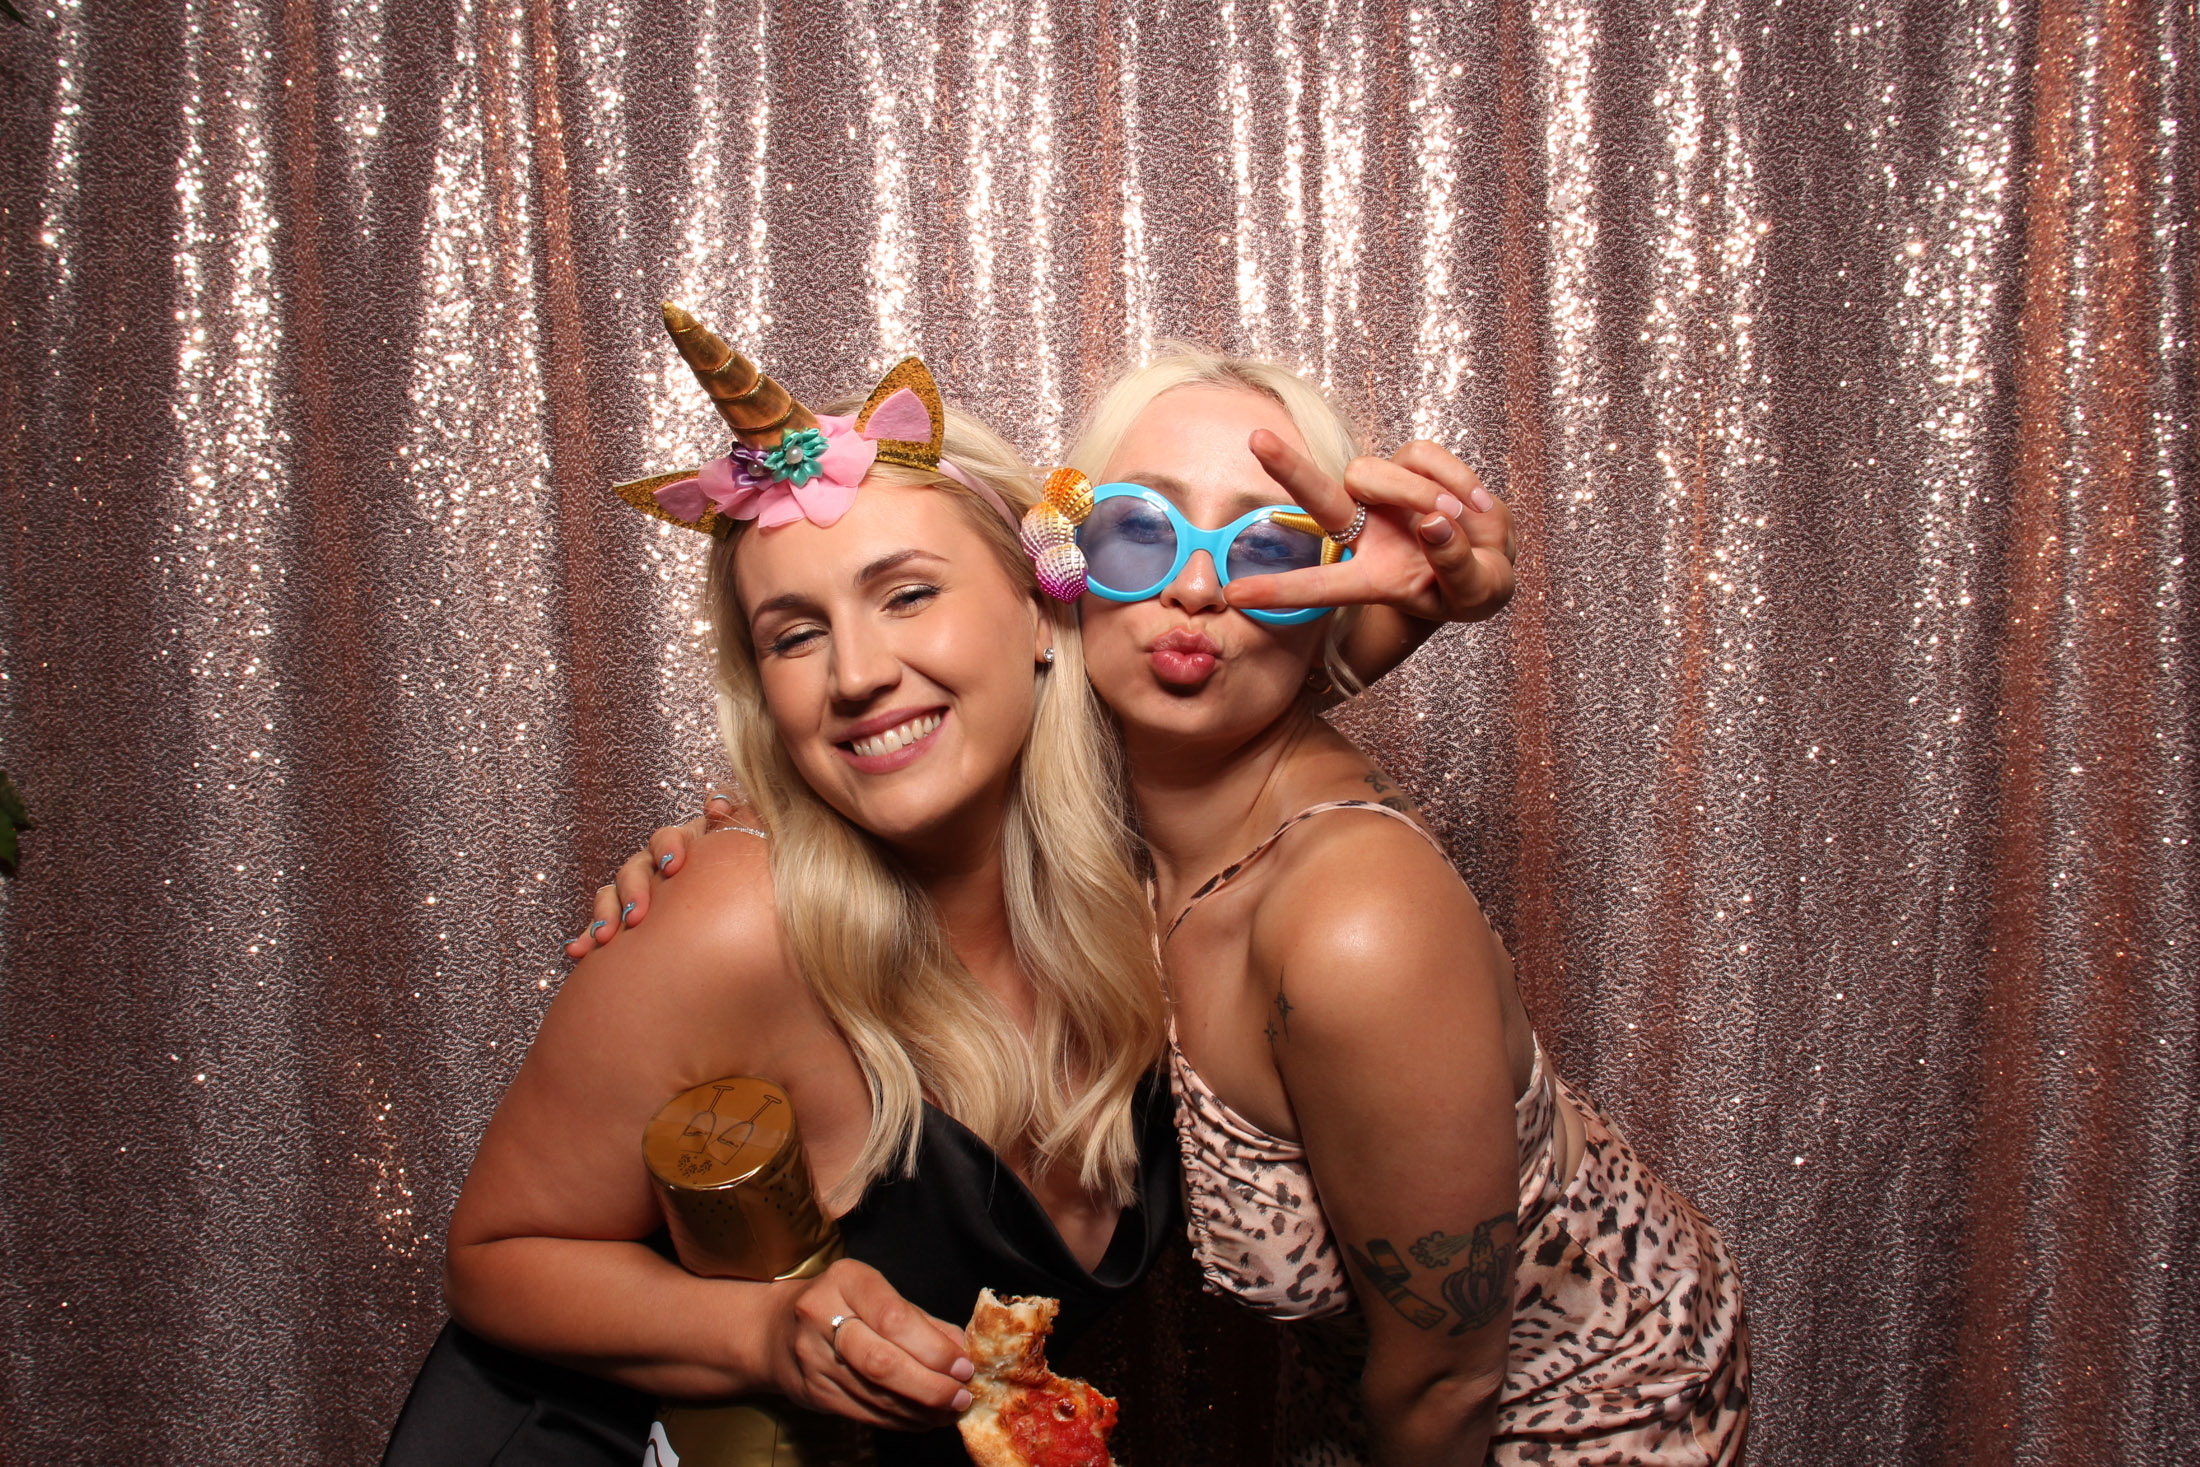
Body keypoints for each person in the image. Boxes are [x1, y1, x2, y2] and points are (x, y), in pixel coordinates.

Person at [604, 348, 1749, 1465]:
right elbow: (1168, 687)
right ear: (1058, 571)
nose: (1197, 588)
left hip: (1578, 1421)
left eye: (1267, 548)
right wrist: (734, 848)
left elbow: (1446, 1381)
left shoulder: (1353, 926)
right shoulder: (1094, 811)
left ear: (1323, 597)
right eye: (1139, 532)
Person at [388, 318, 1178, 1467]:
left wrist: (1418, 599)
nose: (855, 675)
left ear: (1040, 608)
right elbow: (494, 1260)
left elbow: (1272, 735)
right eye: (796, 635)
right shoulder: (734, 918)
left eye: (906, 595)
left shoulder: (1159, 888)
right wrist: (767, 1333)